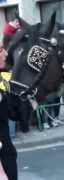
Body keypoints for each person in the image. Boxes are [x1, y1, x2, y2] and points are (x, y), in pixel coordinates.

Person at [0, 41, 18, 180]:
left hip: (7, 152)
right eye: (1, 50)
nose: (6, 54)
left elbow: (14, 113)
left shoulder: (3, 76)